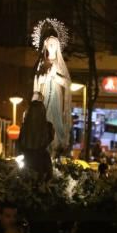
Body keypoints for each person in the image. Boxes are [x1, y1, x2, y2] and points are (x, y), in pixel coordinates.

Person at [32, 20, 72, 153]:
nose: (52, 46)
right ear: (45, 46)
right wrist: (44, 77)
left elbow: (67, 83)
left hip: (56, 96)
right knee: (43, 120)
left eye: (54, 44)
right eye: (50, 44)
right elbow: (37, 82)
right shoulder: (41, 63)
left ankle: (56, 145)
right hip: (44, 96)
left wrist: (55, 76)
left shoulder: (60, 65)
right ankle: (45, 145)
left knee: (56, 121)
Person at [18, 97, 54, 177]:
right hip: (39, 162)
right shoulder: (47, 127)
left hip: (29, 162)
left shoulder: (25, 128)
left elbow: (20, 145)